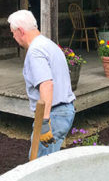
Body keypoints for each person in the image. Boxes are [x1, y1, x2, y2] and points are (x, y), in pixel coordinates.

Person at [7, 10, 75, 158]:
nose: (13, 36)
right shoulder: (48, 44)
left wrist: (44, 122)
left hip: (54, 115)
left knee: (38, 166)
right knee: (45, 164)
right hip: (62, 111)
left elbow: (46, 85)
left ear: (21, 31)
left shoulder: (35, 52)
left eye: (13, 32)